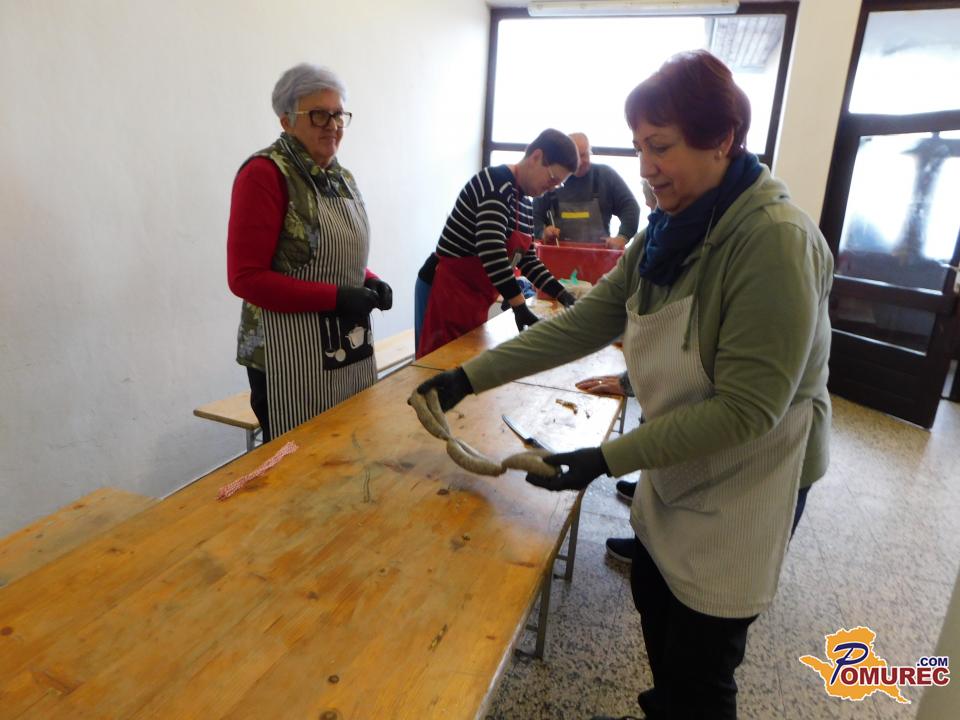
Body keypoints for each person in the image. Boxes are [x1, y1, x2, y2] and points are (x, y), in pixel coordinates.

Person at [413, 50, 833, 719]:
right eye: (639, 147)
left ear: (722, 139)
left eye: (661, 147)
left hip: (753, 476)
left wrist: (604, 459)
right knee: (658, 600)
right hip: (686, 452)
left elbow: (747, 412)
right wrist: (466, 378)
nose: (645, 167)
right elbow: (586, 323)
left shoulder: (773, 242)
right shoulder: (668, 228)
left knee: (702, 656)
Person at [227, 63, 392, 442]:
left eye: (338, 115)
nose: (332, 125)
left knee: (351, 445)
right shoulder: (264, 174)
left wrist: (370, 280)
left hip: (344, 344)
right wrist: (337, 298)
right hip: (286, 354)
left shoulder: (341, 177)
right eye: (319, 114)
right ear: (286, 121)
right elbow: (245, 278)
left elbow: (326, 254)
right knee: (299, 460)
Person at [416, 129, 580, 358]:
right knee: (435, 366)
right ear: (536, 157)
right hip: (444, 293)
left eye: (558, 185)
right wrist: (519, 305)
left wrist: (563, 295)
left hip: (473, 298)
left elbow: (527, 259)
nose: (551, 188)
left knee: (464, 362)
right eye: (552, 179)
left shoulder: (525, 203)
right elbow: (491, 249)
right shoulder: (495, 183)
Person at [534, 132, 641, 250]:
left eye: (583, 155)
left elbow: (630, 207)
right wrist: (542, 233)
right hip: (558, 254)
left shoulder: (605, 175)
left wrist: (622, 237)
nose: (579, 162)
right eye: (575, 157)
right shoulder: (553, 178)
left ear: (590, 152)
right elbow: (534, 214)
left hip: (599, 256)